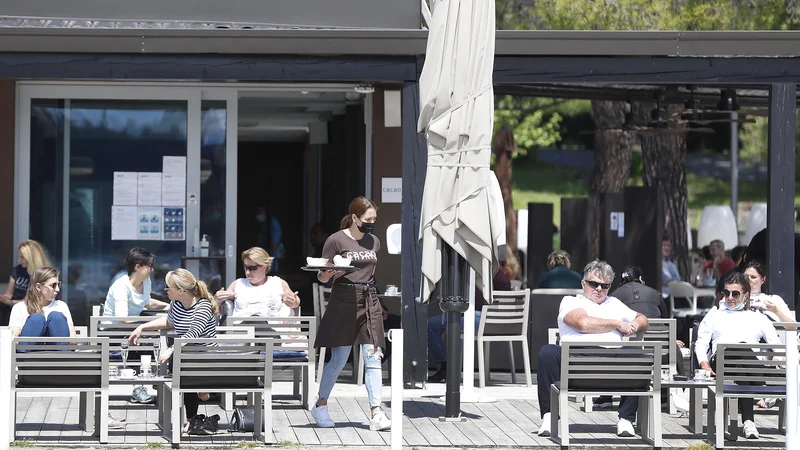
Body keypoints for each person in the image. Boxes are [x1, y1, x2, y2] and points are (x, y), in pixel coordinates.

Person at [536, 260, 649, 438]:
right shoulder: (571, 301)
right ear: (583, 284)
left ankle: (626, 419)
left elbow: (643, 319)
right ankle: (550, 417)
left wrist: (634, 325)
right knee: (547, 353)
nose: (598, 289)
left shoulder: (615, 303)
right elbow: (583, 324)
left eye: (604, 286)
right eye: (593, 284)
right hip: (575, 360)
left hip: (612, 360)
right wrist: (618, 324)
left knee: (640, 357)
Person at [311, 196, 391, 431]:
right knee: (339, 358)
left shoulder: (374, 241)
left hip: (369, 301)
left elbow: (371, 274)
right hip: (343, 301)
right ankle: (321, 404)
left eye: (374, 219)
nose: (371, 223)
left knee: (373, 356)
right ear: (354, 217)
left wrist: (381, 304)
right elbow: (322, 275)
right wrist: (329, 272)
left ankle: (376, 412)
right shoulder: (335, 240)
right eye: (368, 219)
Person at [128, 268, 219, 435]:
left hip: (206, 359)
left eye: (168, 287)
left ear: (181, 291)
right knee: (184, 369)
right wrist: (142, 327)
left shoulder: (203, 306)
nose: (165, 290)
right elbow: (169, 322)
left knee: (185, 369)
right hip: (187, 359)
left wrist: (171, 349)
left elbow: (193, 333)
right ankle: (193, 418)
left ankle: (201, 402)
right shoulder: (176, 304)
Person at [694, 271, 781, 439]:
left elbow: (775, 343)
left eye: (735, 293)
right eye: (726, 293)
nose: (730, 297)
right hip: (721, 360)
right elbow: (701, 343)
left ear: (745, 295)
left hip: (746, 367)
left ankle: (749, 423)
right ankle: (763, 390)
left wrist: (776, 357)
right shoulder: (714, 315)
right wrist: (704, 363)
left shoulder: (758, 317)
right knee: (741, 348)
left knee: (743, 360)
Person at [594, 266, 668, 410]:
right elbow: (665, 321)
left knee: (612, 345)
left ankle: (606, 396)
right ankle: (664, 396)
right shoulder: (656, 293)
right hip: (662, 350)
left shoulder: (613, 297)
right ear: (641, 279)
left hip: (631, 354)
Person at [103, 248, 169, 405]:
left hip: (132, 329)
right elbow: (123, 319)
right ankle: (142, 385)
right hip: (112, 332)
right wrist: (146, 326)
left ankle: (155, 378)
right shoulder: (121, 286)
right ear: (138, 267)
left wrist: (167, 306)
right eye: (149, 266)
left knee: (158, 336)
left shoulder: (145, 282)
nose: (152, 270)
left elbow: (147, 302)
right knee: (148, 339)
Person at [427, 267, 511, 382]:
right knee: (430, 325)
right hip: (461, 313)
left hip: (480, 315)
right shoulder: (459, 266)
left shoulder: (486, 264)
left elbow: (505, 284)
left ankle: (453, 369)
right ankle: (445, 365)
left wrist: (486, 275)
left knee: (453, 324)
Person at [215, 247, 301, 322]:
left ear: (264, 267)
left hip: (271, 333)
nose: (248, 272)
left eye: (252, 268)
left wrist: (294, 301)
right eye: (246, 267)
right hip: (242, 333)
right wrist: (217, 299)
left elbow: (294, 301)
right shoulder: (238, 284)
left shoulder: (278, 283)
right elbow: (217, 307)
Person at [8, 266, 75, 339]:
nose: (57, 289)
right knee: (36, 319)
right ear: (38, 287)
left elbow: (73, 340)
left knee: (56, 317)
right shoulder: (20, 307)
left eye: (58, 284)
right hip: (29, 349)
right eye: (53, 285)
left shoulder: (61, 306)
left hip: (57, 350)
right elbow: (12, 339)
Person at [0, 240, 52, 326]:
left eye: (22, 257)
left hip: (31, 308)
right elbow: (9, 294)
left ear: (31, 257)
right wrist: (3, 298)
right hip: (13, 305)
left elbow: (34, 301)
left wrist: (10, 303)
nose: (19, 260)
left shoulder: (43, 274)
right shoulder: (17, 270)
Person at [255, 206, 283, 275]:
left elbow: (273, 244)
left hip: (271, 263)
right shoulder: (265, 224)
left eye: (260, 213)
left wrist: (267, 261)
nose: (258, 215)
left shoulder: (273, 224)